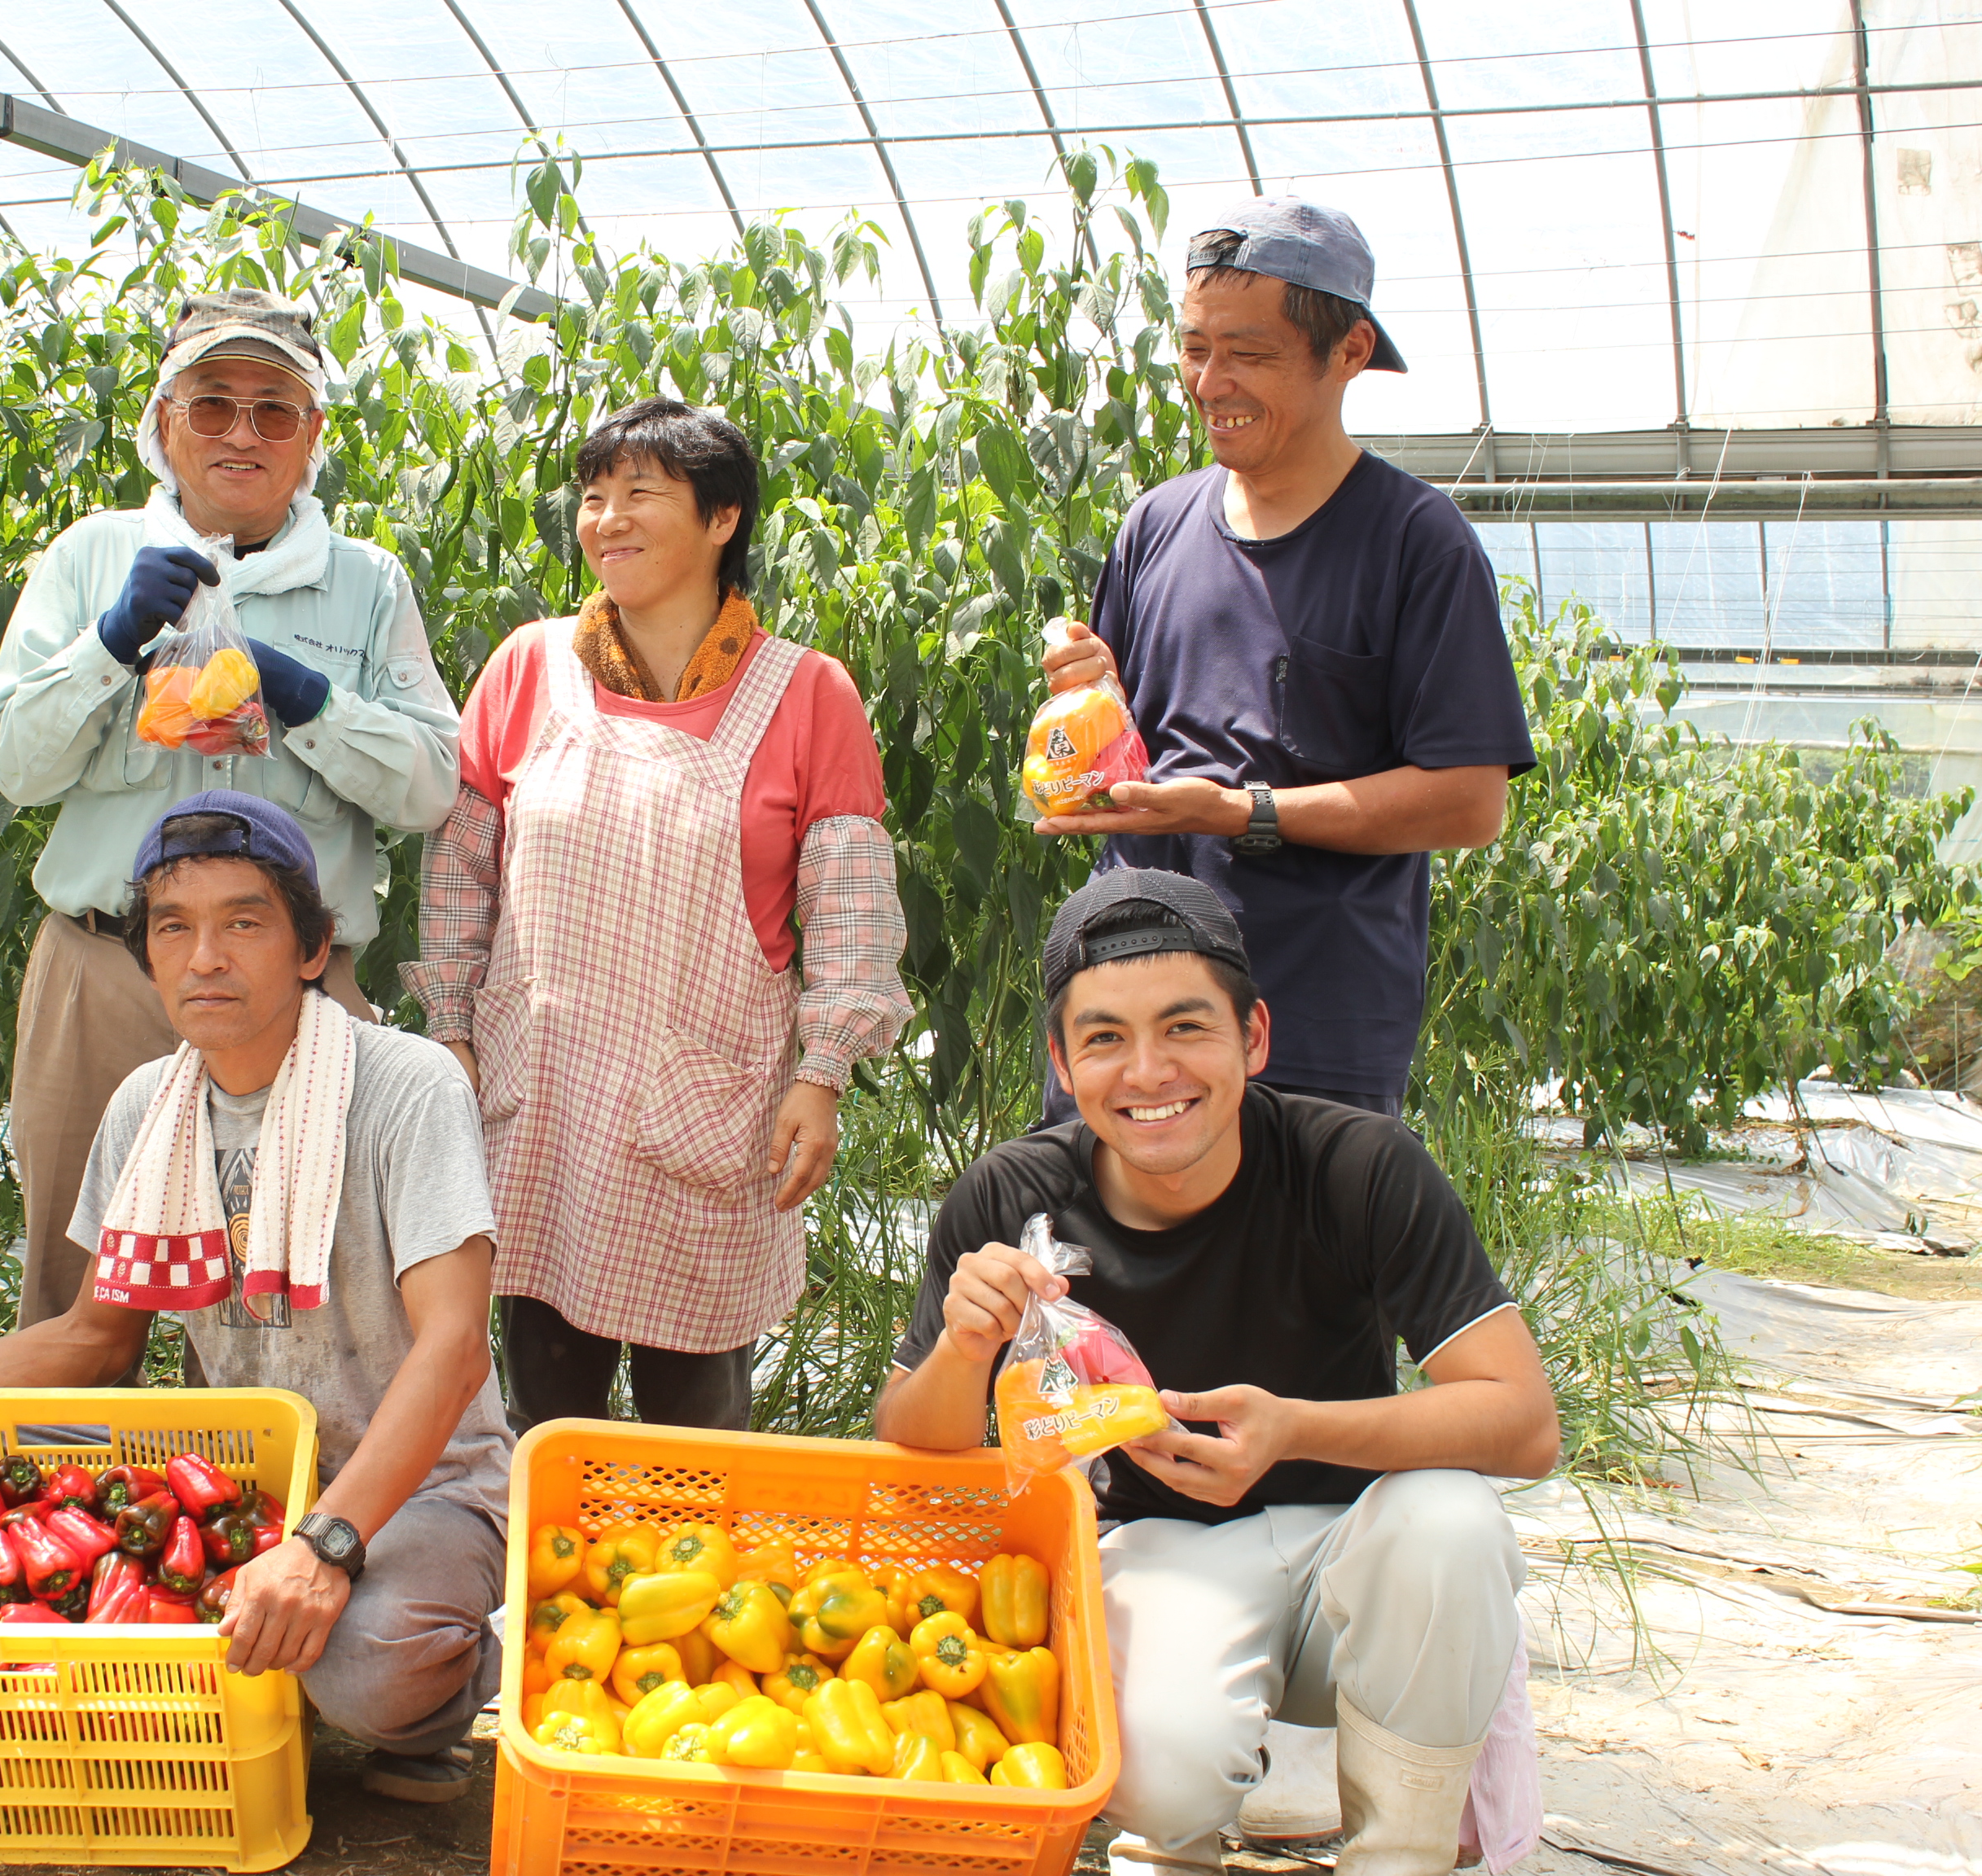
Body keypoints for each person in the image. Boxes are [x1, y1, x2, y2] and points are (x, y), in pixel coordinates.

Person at [0, 791, 508, 1804]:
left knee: (370, 1670)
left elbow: (456, 1348)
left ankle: (442, 1689)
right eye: (175, 928)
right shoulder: (146, 1112)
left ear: (312, 948)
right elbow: (91, 1341)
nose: (206, 956)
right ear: (150, 955)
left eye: (244, 923)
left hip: (419, 1483)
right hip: (243, 1478)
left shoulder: (407, 1086)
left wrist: (326, 1544)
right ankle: (300, 1656)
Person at [874, 869, 1559, 1876]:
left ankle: (1401, 1854)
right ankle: (1171, 1841)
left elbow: (1522, 1426)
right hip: (1157, 1554)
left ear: (1256, 1038)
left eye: (1187, 1028)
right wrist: (964, 1346)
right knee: (1163, 1768)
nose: (1149, 1072)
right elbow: (907, 1436)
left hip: (1358, 1563)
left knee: (1450, 1522)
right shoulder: (1018, 1198)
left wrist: (1298, 1429)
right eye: (1105, 1038)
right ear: (1064, 1063)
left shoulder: (1358, 1167)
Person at [406, 398, 910, 1432]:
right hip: (540, 1092)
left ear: (723, 519)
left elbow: (852, 908)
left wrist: (823, 1077)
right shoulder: (529, 668)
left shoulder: (806, 694)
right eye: (593, 496)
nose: (607, 519)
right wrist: (451, 1029)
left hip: (709, 1101)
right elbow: (461, 869)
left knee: (700, 1426)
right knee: (545, 1407)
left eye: (641, 493)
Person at [0, 287, 461, 1334]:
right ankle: (68, 1490)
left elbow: (433, 783)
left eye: (274, 410)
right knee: (76, 1299)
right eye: (212, 405)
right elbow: (14, 763)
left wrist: (308, 699)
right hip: (104, 972)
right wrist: (111, 644)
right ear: (163, 425)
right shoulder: (91, 558)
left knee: (293, 1307)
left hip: (295, 995)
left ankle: (281, 1496)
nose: (242, 434)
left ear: (313, 438)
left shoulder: (365, 586)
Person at [1034, 198, 1535, 1120]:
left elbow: (1469, 799)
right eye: (1194, 349)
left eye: (1250, 355)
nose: (1210, 382)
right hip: (1124, 1008)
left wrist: (1241, 814)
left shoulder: (1417, 544)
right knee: (1100, 1261)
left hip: (1307, 1033)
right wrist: (1092, 698)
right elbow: (1127, 747)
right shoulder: (1158, 524)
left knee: (1291, 1261)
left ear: (1347, 352)